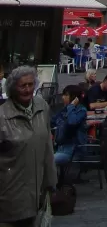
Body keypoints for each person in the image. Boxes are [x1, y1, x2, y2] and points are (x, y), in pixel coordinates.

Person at [0, 66, 56, 226]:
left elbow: (48, 147)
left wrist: (51, 182)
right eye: (22, 85)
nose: (28, 89)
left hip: (37, 194)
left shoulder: (41, 106)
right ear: (12, 88)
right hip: (9, 198)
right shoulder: (2, 116)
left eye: (31, 84)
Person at [51, 85, 87, 167]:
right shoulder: (64, 110)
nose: (63, 97)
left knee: (47, 162)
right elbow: (52, 121)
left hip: (73, 151)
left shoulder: (81, 110)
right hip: (60, 148)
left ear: (74, 97)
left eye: (66, 95)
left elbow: (72, 122)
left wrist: (71, 106)